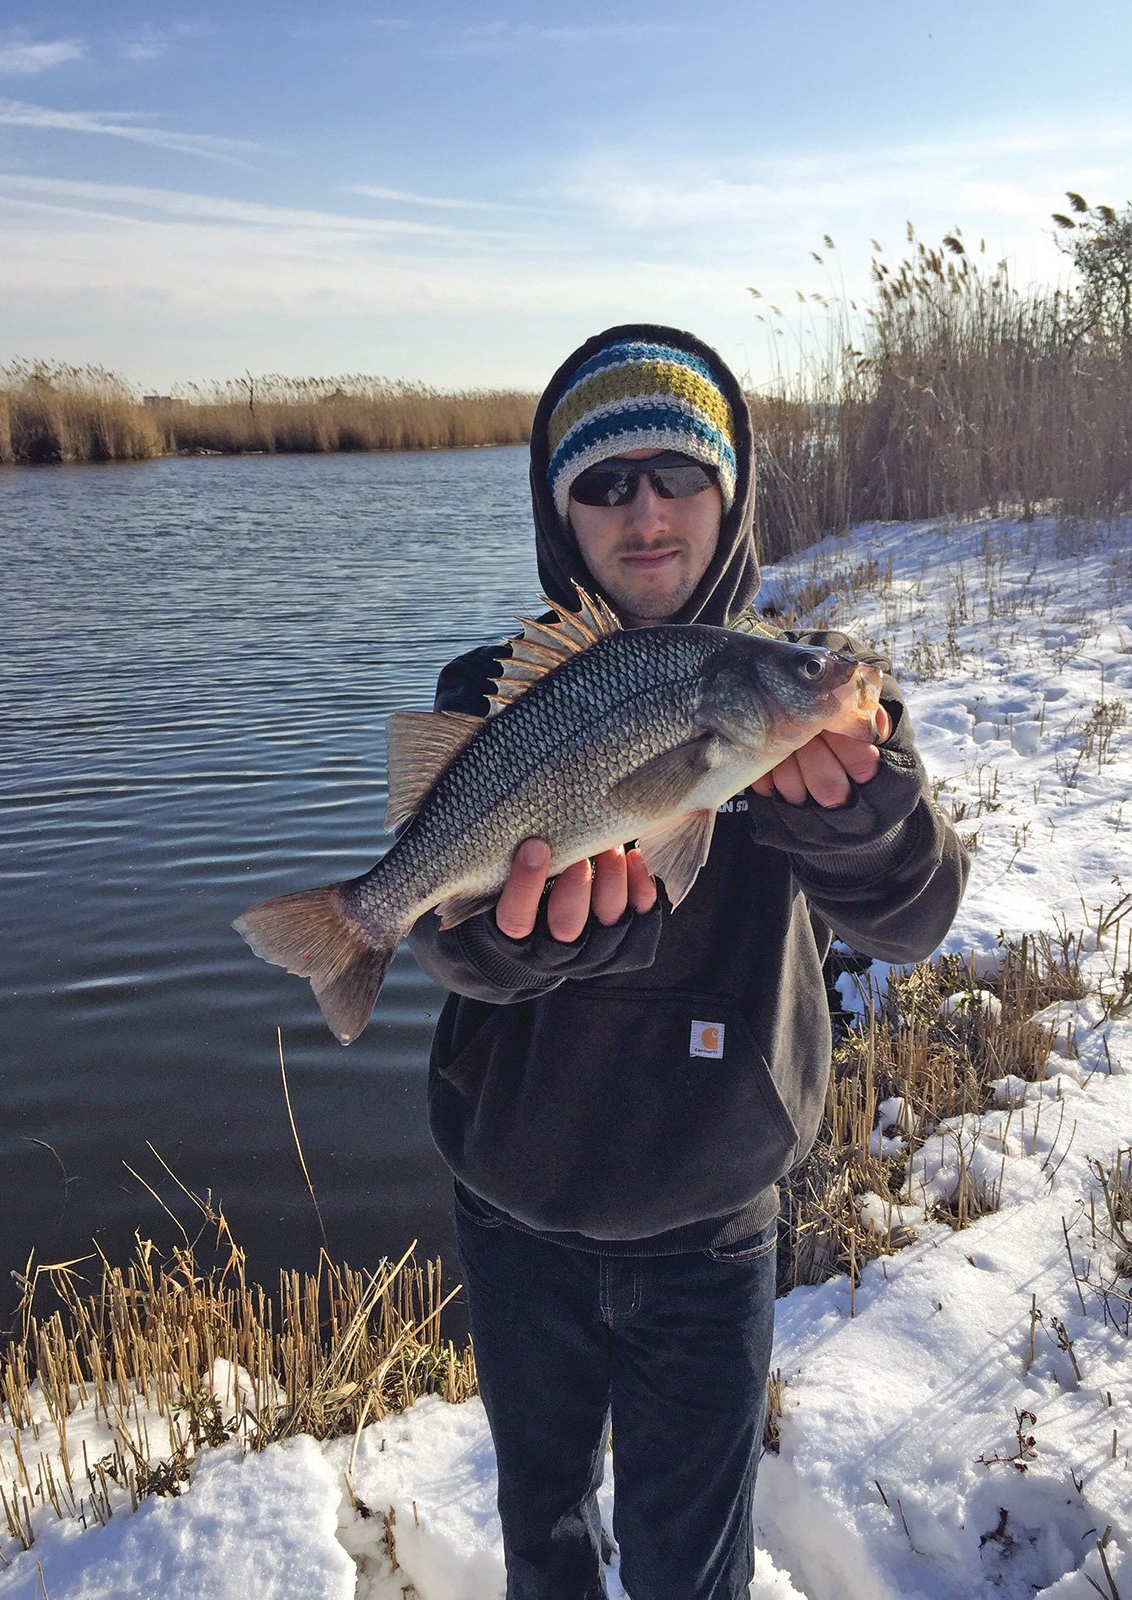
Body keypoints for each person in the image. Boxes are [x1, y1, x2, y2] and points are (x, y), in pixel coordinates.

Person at [408, 325, 968, 1600]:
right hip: (516, 1208)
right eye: (604, 482)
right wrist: (507, 936)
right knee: (542, 1539)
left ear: (731, 492)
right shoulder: (490, 691)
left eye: (677, 474)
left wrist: (865, 826)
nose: (644, 511)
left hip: (712, 1222)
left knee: (689, 1568)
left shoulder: (794, 689)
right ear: (561, 511)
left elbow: (914, 920)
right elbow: (456, 952)